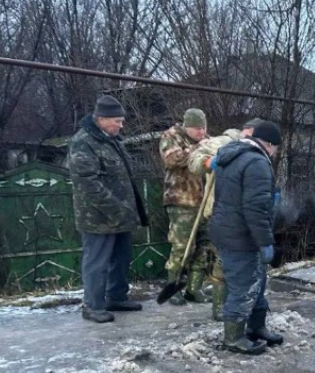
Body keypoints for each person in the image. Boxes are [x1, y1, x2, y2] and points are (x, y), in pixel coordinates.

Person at [68, 95, 148, 323]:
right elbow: (87, 184)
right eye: (117, 121)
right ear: (101, 119)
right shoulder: (83, 142)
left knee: (121, 258)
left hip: (121, 214)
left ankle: (116, 296)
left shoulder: (112, 139)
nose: (121, 125)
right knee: (97, 261)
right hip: (98, 217)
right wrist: (117, 208)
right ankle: (92, 305)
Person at [209, 121, 285, 355]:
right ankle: (233, 338)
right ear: (270, 144)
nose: (274, 153)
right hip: (240, 235)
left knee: (258, 281)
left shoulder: (234, 155)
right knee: (244, 286)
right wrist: (265, 241)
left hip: (228, 229)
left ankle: (256, 327)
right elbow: (255, 209)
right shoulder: (257, 162)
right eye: (276, 148)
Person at [188, 118, 264, 321]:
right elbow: (194, 160)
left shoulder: (254, 149)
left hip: (240, 214)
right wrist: (208, 162)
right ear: (247, 131)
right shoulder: (223, 142)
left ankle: (238, 307)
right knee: (224, 263)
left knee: (239, 264)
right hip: (220, 211)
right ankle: (221, 309)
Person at [159, 108, 211, 305]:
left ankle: (193, 288)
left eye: (204, 128)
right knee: (182, 246)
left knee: (203, 246)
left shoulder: (206, 139)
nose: (201, 132)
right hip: (181, 200)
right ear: (187, 126)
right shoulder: (171, 136)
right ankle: (173, 288)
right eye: (197, 128)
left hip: (203, 201)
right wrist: (197, 148)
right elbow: (172, 160)